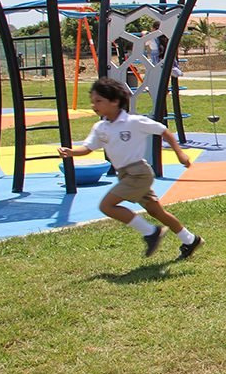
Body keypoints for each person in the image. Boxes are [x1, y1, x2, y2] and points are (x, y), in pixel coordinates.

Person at [57, 78, 202, 260]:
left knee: (107, 206)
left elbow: (164, 131)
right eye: (93, 102)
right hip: (125, 175)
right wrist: (71, 152)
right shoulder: (100, 127)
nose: (94, 105)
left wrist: (180, 154)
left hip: (139, 173)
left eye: (99, 101)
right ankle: (190, 239)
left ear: (115, 101)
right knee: (156, 212)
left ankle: (151, 232)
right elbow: (87, 148)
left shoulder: (133, 122)